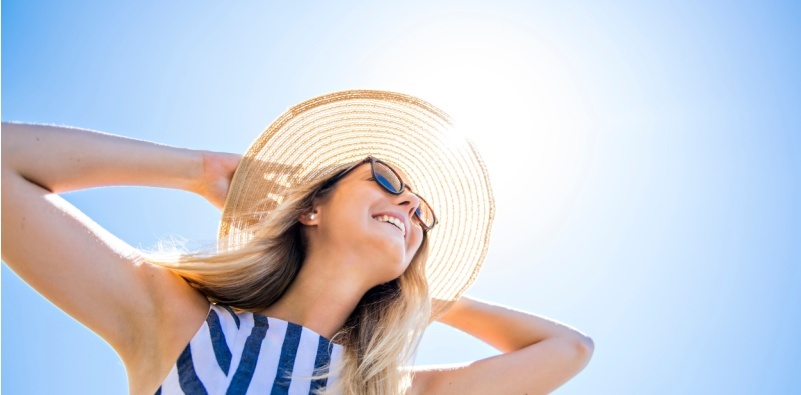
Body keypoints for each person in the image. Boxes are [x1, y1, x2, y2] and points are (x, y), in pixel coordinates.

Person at [1, 90, 593, 395]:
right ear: (311, 208)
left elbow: (569, 348)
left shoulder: (389, 388)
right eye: (386, 181)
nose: (410, 206)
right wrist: (197, 169)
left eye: (421, 215)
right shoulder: (179, 321)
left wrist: (419, 298)